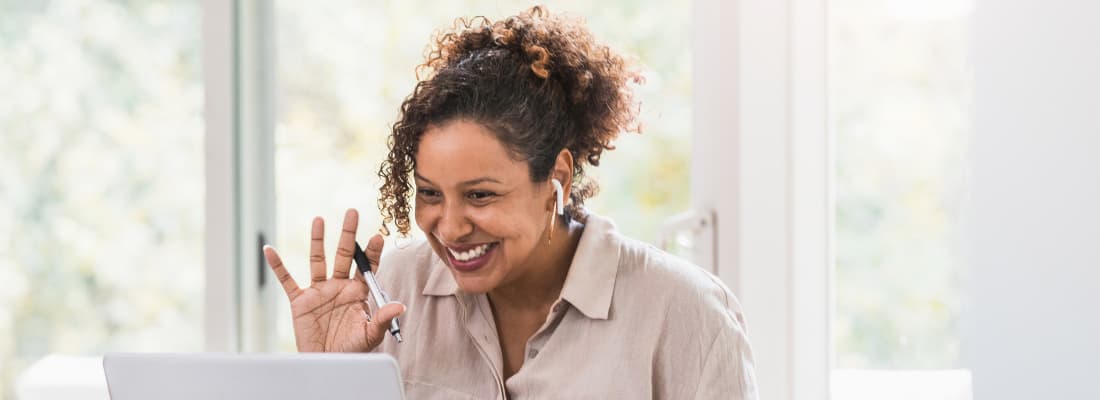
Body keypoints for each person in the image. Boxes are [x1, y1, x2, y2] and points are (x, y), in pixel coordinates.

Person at [262, 6, 758, 399]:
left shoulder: (684, 313)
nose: (451, 228)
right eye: (431, 193)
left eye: (480, 195)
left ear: (556, 179)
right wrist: (324, 376)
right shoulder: (392, 292)